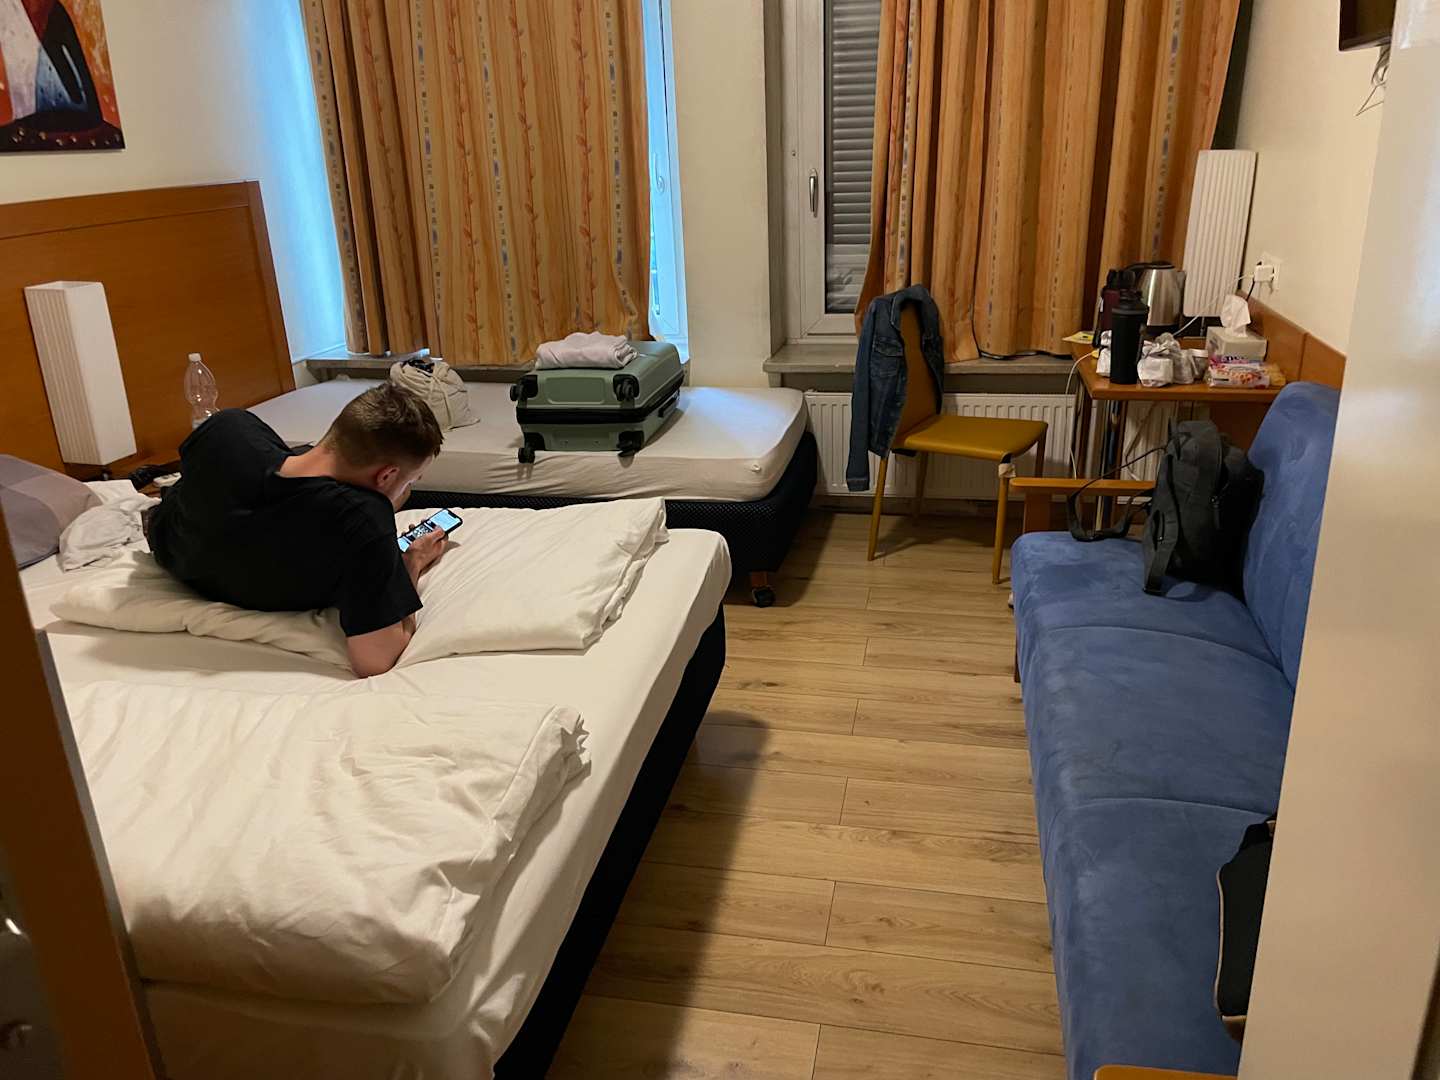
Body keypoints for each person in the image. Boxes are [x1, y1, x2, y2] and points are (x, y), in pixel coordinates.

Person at [147, 383, 447, 677]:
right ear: (387, 475)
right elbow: (375, 660)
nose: (406, 490)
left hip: (173, 546)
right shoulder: (361, 518)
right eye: (409, 482)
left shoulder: (227, 427)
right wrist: (412, 563)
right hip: (231, 581)